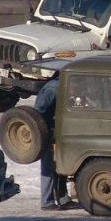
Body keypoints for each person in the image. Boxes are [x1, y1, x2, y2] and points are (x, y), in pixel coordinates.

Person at [36, 75, 73, 210]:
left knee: (61, 165)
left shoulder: (63, 87)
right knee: (49, 166)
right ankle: (47, 201)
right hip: (49, 133)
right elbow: (38, 112)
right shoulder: (52, 89)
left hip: (60, 132)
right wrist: (44, 130)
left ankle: (63, 198)